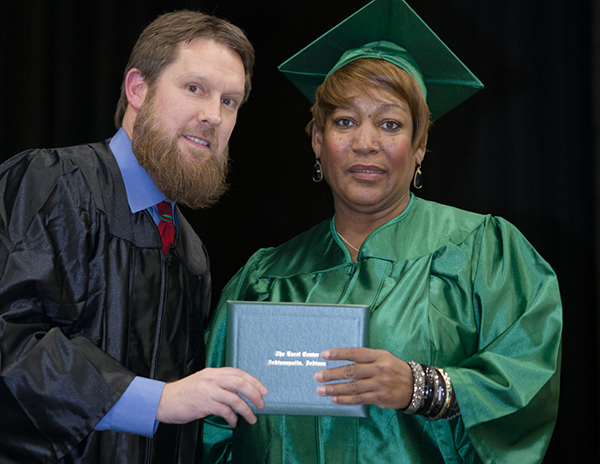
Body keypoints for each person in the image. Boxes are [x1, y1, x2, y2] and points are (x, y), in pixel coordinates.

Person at [203, 0, 562, 463]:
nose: (366, 143)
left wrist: (422, 387)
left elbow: (527, 386)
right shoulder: (263, 278)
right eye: (345, 121)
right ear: (318, 140)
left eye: (390, 124)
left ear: (420, 146)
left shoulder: (484, 253)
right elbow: (213, 429)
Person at [0, 10, 268, 464]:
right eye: (195, 88)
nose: (213, 116)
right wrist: (159, 400)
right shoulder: (53, 183)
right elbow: (11, 340)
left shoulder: (190, 253)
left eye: (230, 102)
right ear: (138, 89)